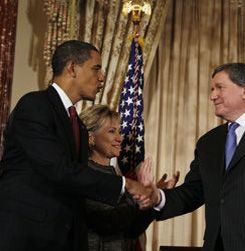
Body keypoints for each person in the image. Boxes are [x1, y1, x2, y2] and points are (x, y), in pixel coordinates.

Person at [0, 40, 157, 251]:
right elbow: (59, 170)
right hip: (28, 236)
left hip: (65, 238)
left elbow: (79, 186)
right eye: (96, 68)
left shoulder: (80, 128)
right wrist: (126, 184)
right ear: (72, 68)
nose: (102, 77)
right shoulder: (35, 106)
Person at [138, 63, 245, 251]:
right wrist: (157, 198)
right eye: (212, 89)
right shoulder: (208, 143)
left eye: (220, 87)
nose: (212, 96)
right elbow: (193, 192)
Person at [80, 104, 180, 251]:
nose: (119, 138)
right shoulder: (84, 174)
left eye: (119, 131)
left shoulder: (113, 174)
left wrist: (152, 197)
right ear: (91, 138)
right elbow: (108, 223)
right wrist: (140, 197)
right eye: (111, 131)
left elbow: (132, 230)